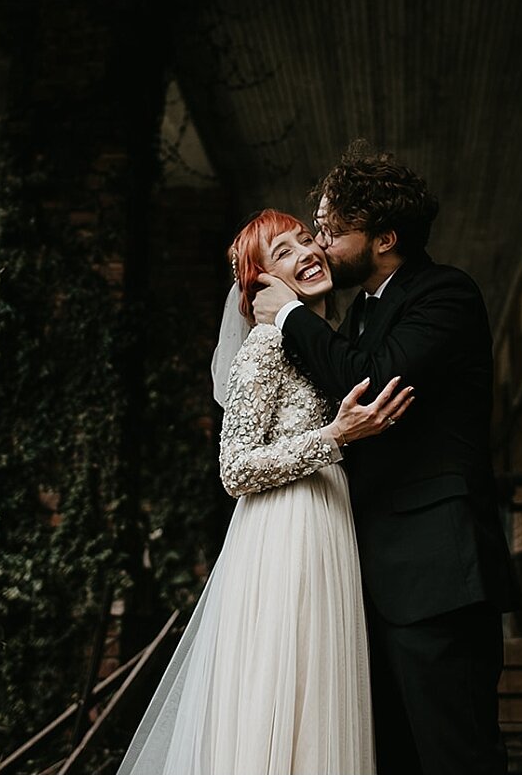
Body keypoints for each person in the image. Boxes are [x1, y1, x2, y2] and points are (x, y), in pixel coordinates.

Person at [252, 144, 520, 774]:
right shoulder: (365, 312)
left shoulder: (444, 295)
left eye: (332, 231)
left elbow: (368, 385)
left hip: (437, 577)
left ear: (384, 238)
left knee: (457, 757)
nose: (319, 244)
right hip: (370, 580)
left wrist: (290, 316)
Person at [118, 209, 412, 775]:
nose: (306, 252)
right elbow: (235, 469)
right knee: (281, 688)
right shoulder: (263, 348)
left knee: (324, 690)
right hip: (283, 535)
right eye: (282, 252)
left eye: (307, 239)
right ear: (261, 281)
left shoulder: (327, 344)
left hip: (331, 528)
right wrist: (332, 435)